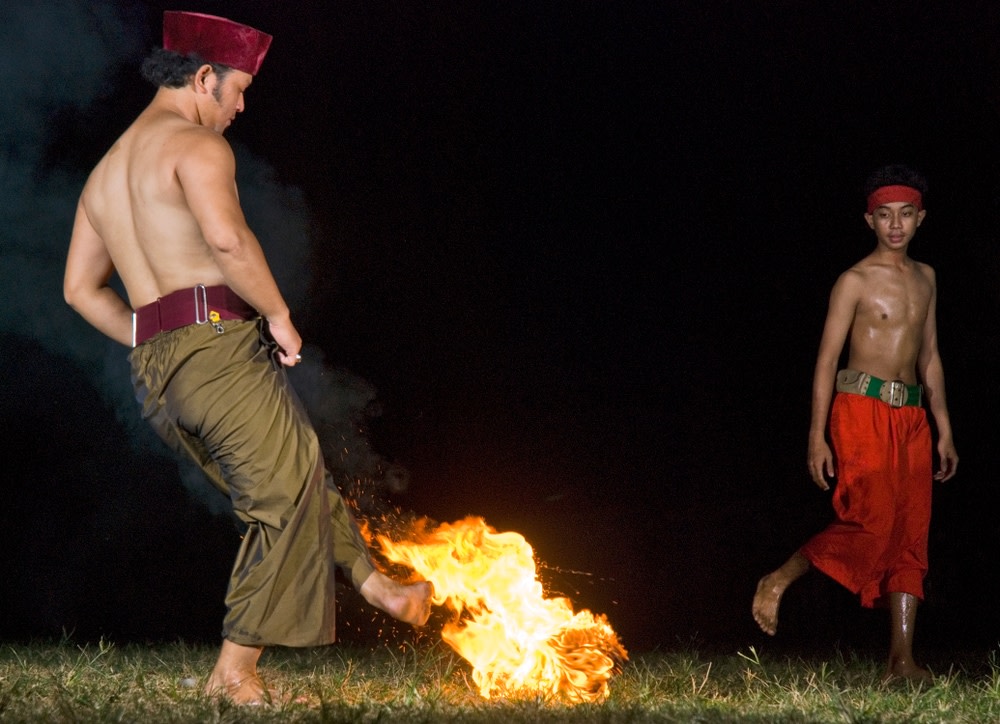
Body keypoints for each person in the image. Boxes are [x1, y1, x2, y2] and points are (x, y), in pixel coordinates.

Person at [63, 11, 432, 705]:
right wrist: (280, 317)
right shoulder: (196, 146)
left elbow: (79, 291)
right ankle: (234, 674)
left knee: (293, 469)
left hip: (159, 376)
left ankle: (379, 586)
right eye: (237, 91)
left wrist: (152, 339)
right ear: (203, 77)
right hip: (216, 352)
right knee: (282, 498)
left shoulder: (106, 173)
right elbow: (229, 242)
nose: (239, 107)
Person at [751, 164, 958, 683]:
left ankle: (902, 662)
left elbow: (930, 356)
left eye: (905, 215)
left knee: (911, 534)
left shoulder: (928, 278)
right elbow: (825, 360)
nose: (895, 225)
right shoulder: (854, 281)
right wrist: (816, 435)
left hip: (912, 416)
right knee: (870, 521)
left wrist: (944, 426)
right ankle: (779, 578)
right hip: (860, 410)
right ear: (869, 220)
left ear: (920, 218)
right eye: (884, 215)